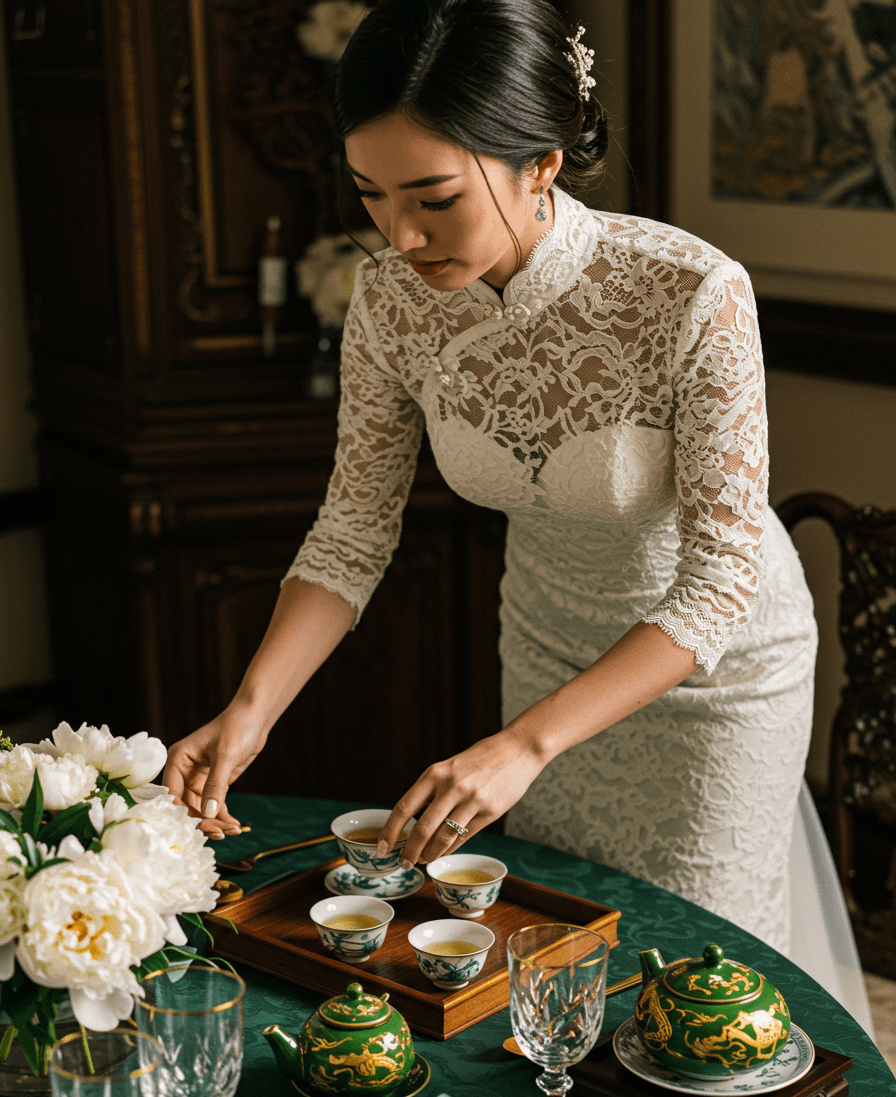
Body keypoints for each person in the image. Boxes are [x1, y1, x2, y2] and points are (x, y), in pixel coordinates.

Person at [165, 0, 827, 965]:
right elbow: (351, 532)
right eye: (371, 196)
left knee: (695, 975)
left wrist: (523, 745)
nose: (399, 237)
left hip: (711, 675)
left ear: (543, 164)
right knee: (551, 955)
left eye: (435, 200)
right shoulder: (390, 303)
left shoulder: (689, 289)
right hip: (546, 645)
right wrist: (249, 711)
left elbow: (720, 576)